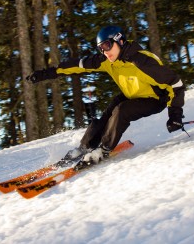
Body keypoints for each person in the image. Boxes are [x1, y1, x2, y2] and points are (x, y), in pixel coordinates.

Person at [26, 26, 185, 164]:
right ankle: (84, 148)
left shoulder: (142, 61)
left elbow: (175, 84)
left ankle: (103, 149)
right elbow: (79, 65)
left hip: (156, 99)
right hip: (132, 95)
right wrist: (47, 73)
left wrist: (175, 114)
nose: (104, 51)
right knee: (109, 113)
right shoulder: (107, 60)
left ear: (120, 41)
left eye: (107, 45)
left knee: (122, 110)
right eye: (101, 48)